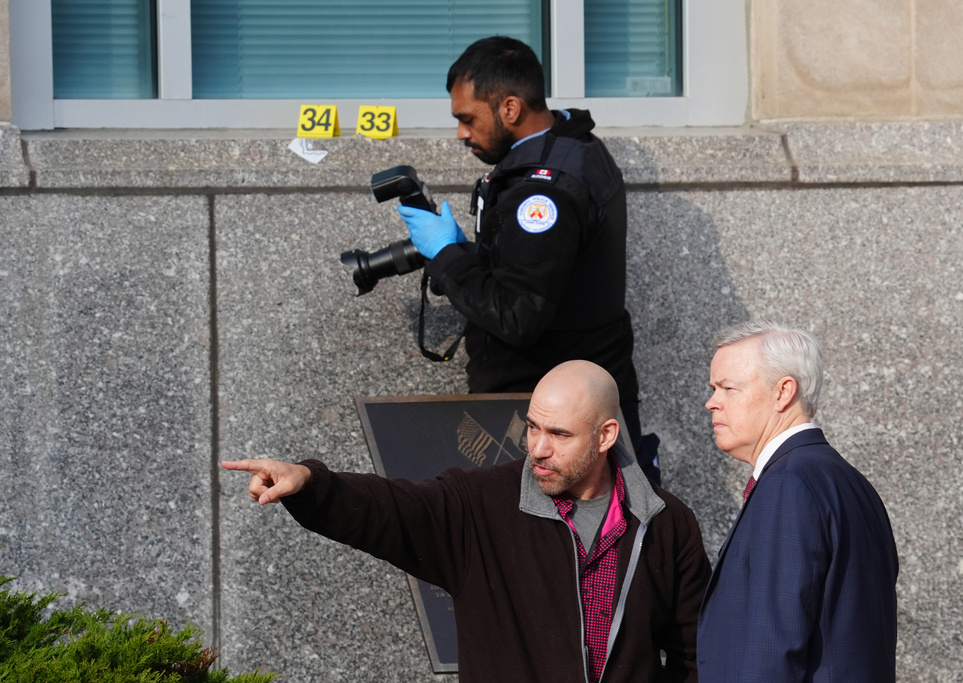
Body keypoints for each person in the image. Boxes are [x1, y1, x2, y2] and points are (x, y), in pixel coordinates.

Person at [223, 360, 710, 682]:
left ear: (606, 436)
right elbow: (392, 509)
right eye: (533, 426)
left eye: (559, 434)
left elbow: (695, 654)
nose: (538, 448)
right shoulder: (478, 504)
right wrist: (311, 482)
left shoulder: (667, 524)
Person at [395, 35, 661, 484]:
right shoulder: (572, 147)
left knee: (552, 552)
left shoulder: (545, 191)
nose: (462, 133)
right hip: (575, 407)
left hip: (550, 421)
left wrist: (445, 256)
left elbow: (519, 314)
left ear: (510, 109)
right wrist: (467, 254)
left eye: (467, 118)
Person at [697, 320, 899, 682]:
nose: (711, 402)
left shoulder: (788, 486)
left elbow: (768, 652)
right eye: (713, 388)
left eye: (728, 388)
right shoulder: (848, 482)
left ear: (783, 392)